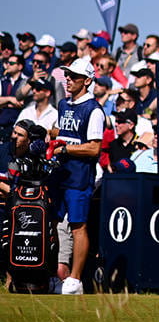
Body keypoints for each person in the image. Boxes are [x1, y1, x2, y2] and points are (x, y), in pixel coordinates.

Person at [49, 57, 105, 295]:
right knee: (53, 223)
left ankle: (75, 279)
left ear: (87, 80)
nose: (68, 79)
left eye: (74, 76)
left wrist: (65, 148)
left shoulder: (93, 110)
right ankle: (55, 273)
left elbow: (94, 148)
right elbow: (64, 132)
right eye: (67, 75)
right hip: (61, 173)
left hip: (80, 176)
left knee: (78, 225)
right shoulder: (63, 105)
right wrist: (53, 134)